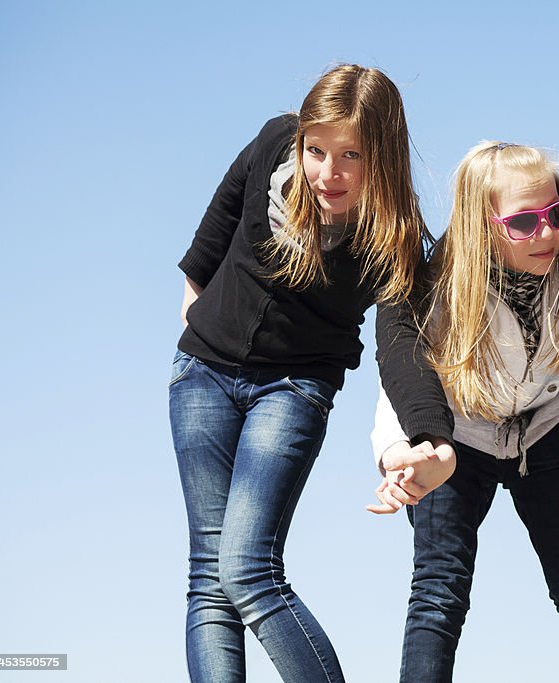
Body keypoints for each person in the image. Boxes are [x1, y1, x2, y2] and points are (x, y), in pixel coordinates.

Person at [168, 64, 455, 683]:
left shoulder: (396, 239)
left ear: (383, 155)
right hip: (201, 378)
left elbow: (402, 346)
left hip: (292, 390)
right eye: (317, 149)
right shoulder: (272, 142)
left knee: (246, 566)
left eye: (352, 154)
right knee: (208, 577)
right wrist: (196, 329)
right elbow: (211, 238)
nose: (329, 172)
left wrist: (433, 438)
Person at [369, 141, 559, 682]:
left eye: (557, 213)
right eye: (522, 222)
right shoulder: (442, 285)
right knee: (438, 589)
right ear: (482, 226)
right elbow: (402, 376)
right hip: (459, 437)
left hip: (543, 432)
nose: (546, 233)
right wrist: (401, 450)